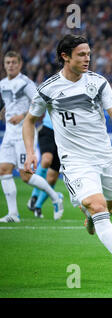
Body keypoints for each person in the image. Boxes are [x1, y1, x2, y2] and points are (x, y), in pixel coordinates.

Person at [22, 34, 112, 283]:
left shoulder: (98, 83)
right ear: (65, 56)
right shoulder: (48, 89)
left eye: (89, 54)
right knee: (98, 205)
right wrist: (31, 151)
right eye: (81, 55)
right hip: (75, 161)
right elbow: (30, 121)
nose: (87, 59)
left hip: (104, 156)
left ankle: (91, 218)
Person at [0, 51, 64, 223]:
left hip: (24, 134)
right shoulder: (2, 84)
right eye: (8, 62)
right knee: (3, 170)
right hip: (8, 134)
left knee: (26, 176)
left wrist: (22, 116)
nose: (10, 65)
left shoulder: (26, 83)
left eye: (14, 62)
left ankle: (55, 197)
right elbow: (6, 105)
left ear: (20, 65)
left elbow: (39, 105)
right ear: (4, 65)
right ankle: (13, 213)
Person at [26, 110, 61, 219]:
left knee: (52, 179)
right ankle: (34, 196)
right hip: (48, 129)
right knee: (46, 160)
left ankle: (37, 206)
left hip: (64, 135)